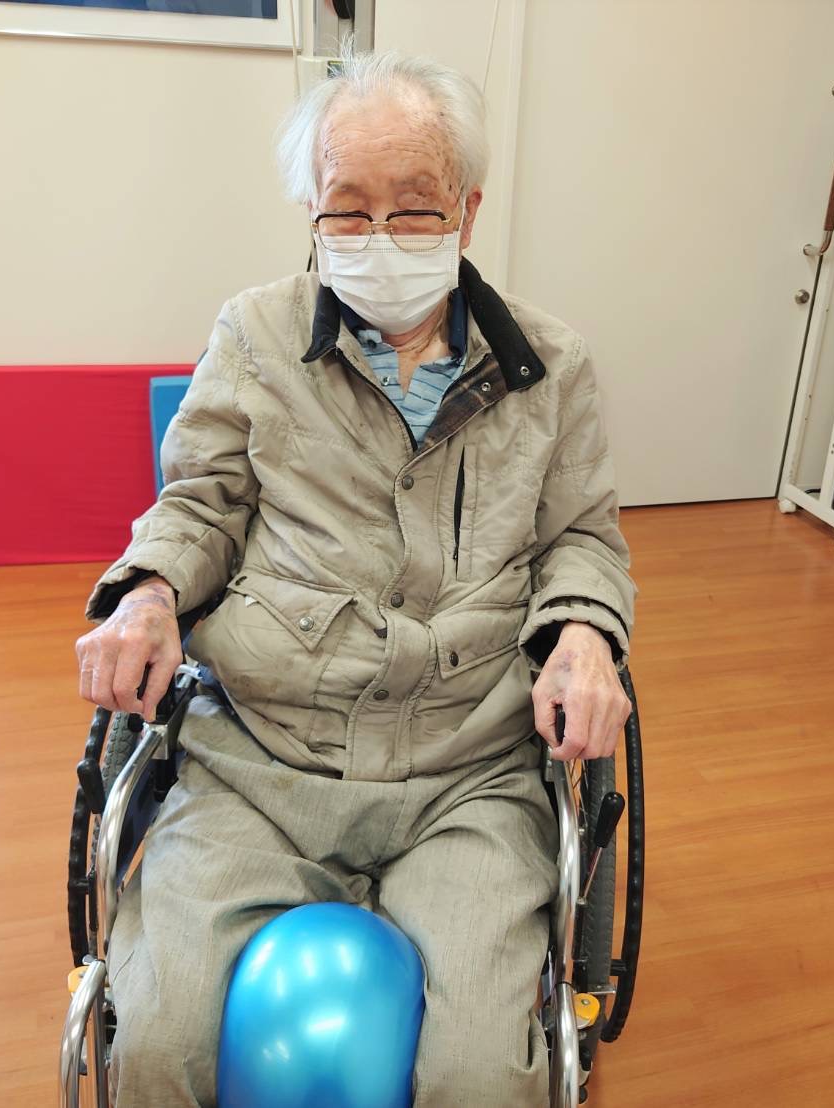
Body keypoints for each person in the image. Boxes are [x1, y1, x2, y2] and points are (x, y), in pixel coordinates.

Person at [75, 44, 635, 1107]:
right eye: (347, 210)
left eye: (414, 208)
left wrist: (581, 635)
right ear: (311, 214)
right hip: (262, 758)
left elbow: (581, 537)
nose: (379, 237)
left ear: (467, 211)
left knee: (480, 1076)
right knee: (154, 1045)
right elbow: (200, 504)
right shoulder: (255, 334)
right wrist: (146, 594)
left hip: (467, 771)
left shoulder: (551, 365)